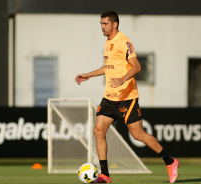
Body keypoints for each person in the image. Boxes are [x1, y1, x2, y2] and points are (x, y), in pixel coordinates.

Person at [75, 11, 179, 183]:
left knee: (138, 135)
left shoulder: (123, 41)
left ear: (114, 24)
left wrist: (122, 79)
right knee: (98, 130)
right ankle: (105, 175)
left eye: (105, 24)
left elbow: (137, 66)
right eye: (101, 24)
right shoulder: (108, 42)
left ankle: (170, 161)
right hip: (110, 97)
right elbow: (108, 67)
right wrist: (89, 75)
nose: (102, 27)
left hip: (127, 97)